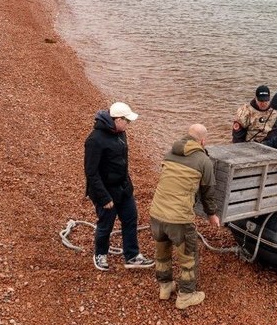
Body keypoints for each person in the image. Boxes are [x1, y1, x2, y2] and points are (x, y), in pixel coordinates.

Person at [148, 124, 220, 310]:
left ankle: (165, 287)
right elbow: (208, 192)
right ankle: (186, 295)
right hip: (179, 218)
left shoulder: (168, 153)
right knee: (188, 256)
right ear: (203, 141)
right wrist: (212, 215)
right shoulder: (204, 161)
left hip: (156, 212)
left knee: (162, 252)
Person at [84, 101, 154, 272]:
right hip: (105, 192)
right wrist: (104, 197)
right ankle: (100, 254)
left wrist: (128, 185)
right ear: (117, 119)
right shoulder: (95, 139)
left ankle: (132, 255)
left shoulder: (121, 133)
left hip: (123, 188)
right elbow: (91, 172)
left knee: (130, 219)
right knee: (105, 225)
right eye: (126, 121)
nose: (128, 124)